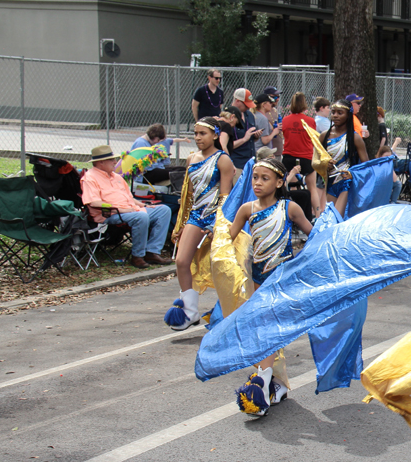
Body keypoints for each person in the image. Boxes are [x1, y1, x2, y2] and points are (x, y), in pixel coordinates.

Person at [230, 156, 313, 415]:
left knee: (268, 329)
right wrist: (211, 235)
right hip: (257, 281)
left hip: (282, 281)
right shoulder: (247, 210)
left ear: (279, 182)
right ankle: (277, 384)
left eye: (265, 178)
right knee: (265, 330)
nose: (257, 183)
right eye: (255, 177)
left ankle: (262, 382)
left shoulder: (290, 208)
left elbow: (314, 236)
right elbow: (226, 240)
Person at [167, 117, 236, 330]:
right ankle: (189, 311)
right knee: (181, 261)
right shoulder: (192, 158)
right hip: (196, 216)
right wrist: (180, 224)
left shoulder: (223, 160)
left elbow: (226, 196)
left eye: (202, 133)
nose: (198, 138)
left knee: (222, 267)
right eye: (195, 133)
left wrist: (217, 224)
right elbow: (188, 195)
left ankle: (228, 310)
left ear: (215, 135)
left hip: (215, 217)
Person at [82, 145, 172, 269]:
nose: (115, 162)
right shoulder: (90, 178)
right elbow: (94, 203)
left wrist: (144, 205)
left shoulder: (116, 177)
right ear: (101, 162)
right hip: (110, 214)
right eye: (111, 160)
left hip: (131, 209)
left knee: (164, 210)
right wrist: (121, 210)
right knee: (141, 216)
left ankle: (152, 252)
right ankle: (137, 256)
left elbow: (129, 197)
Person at [320, 99, 368, 217]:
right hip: (329, 183)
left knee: (338, 217)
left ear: (348, 115)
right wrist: (324, 164)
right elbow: (315, 161)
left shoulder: (355, 138)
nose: (335, 115)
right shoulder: (324, 136)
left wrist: (353, 174)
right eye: (333, 112)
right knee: (330, 217)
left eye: (340, 113)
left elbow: (366, 166)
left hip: (346, 182)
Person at [281, 91, 320, 218]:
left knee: (289, 185)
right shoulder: (310, 121)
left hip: (289, 156)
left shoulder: (285, 120)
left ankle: (288, 212)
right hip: (305, 156)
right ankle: (317, 214)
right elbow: (313, 138)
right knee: (312, 187)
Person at [227, 90, 262, 176]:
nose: (248, 107)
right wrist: (244, 139)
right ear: (237, 101)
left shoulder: (249, 115)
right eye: (246, 105)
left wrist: (255, 136)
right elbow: (225, 146)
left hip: (251, 163)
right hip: (237, 164)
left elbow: (251, 139)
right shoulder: (227, 117)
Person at [263, 86, 284, 154]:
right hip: (269, 152)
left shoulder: (275, 110)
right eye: (274, 97)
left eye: (278, 97)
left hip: (278, 151)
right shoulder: (263, 112)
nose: (277, 99)